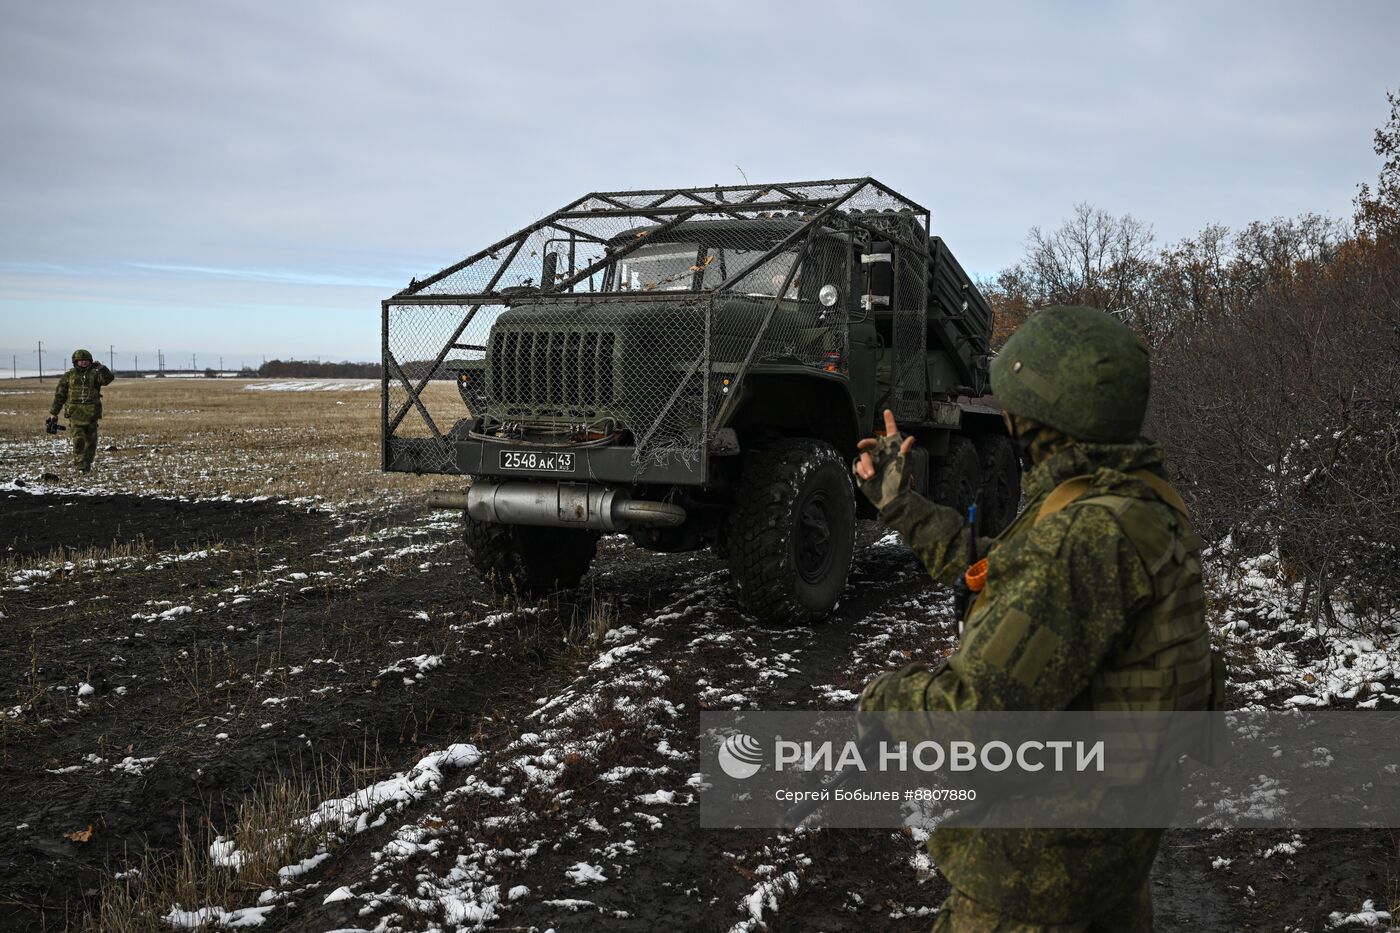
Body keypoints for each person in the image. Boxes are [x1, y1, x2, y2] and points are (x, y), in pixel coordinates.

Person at [853, 306, 1218, 932]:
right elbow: (999, 573)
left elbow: (974, 716)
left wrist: (885, 700)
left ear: (1043, 417)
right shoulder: (1140, 505)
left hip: (1037, 873)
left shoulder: (1083, 533)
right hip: (1113, 854)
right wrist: (898, 501)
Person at [47, 348, 115, 473]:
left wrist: (101, 368)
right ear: (75, 362)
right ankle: (80, 465)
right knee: (79, 440)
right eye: (81, 360)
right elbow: (60, 395)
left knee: (91, 443)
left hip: (91, 414)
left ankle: (87, 465)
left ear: (90, 361)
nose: (83, 363)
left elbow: (108, 379)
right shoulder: (69, 376)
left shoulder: (95, 374)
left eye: (86, 360)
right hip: (75, 414)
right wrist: (54, 413)